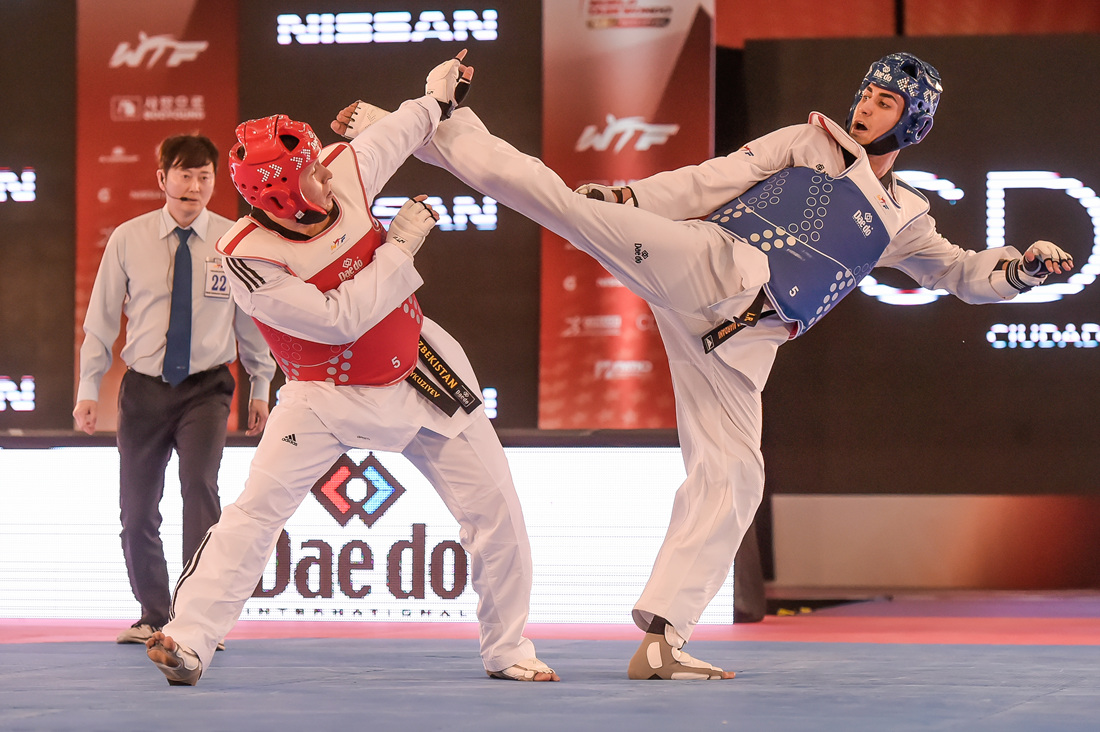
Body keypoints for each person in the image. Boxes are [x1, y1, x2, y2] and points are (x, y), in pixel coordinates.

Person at [347, 51, 1074, 680]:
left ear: (913, 123)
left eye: (886, 101)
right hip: (711, 264)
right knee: (568, 207)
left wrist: (1025, 270)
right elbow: (712, 178)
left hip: (743, 342)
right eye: (867, 93)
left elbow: (960, 272)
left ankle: (665, 637)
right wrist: (631, 198)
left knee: (736, 475)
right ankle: (427, 122)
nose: (866, 106)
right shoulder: (808, 141)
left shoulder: (903, 216)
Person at [144, 51, 558, 686]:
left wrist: (438, 93)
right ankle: (189, 640)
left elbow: (405, 127)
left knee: (496, 511)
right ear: (279, 194)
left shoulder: (342, 168)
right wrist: (401, 246)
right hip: (323, 397)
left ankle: (507, 648)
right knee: (254, 514)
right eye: (310, 174)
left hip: (420, 368)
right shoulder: (247, 257)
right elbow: (339, 320)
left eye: (318, 162)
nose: (326, 174)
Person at [75, 134, 275, 646]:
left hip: (207, 388)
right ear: (162, 178)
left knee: (200, 488)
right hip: (143, 390)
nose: (194, 186)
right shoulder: (128, 238)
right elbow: (100, 321)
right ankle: (153, 614)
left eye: (205, 176)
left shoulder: (233, 241)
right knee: (137, 508)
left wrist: (261, 385)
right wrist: (88, 388)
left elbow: (253, 320)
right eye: (185, 175)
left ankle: (197, 619)